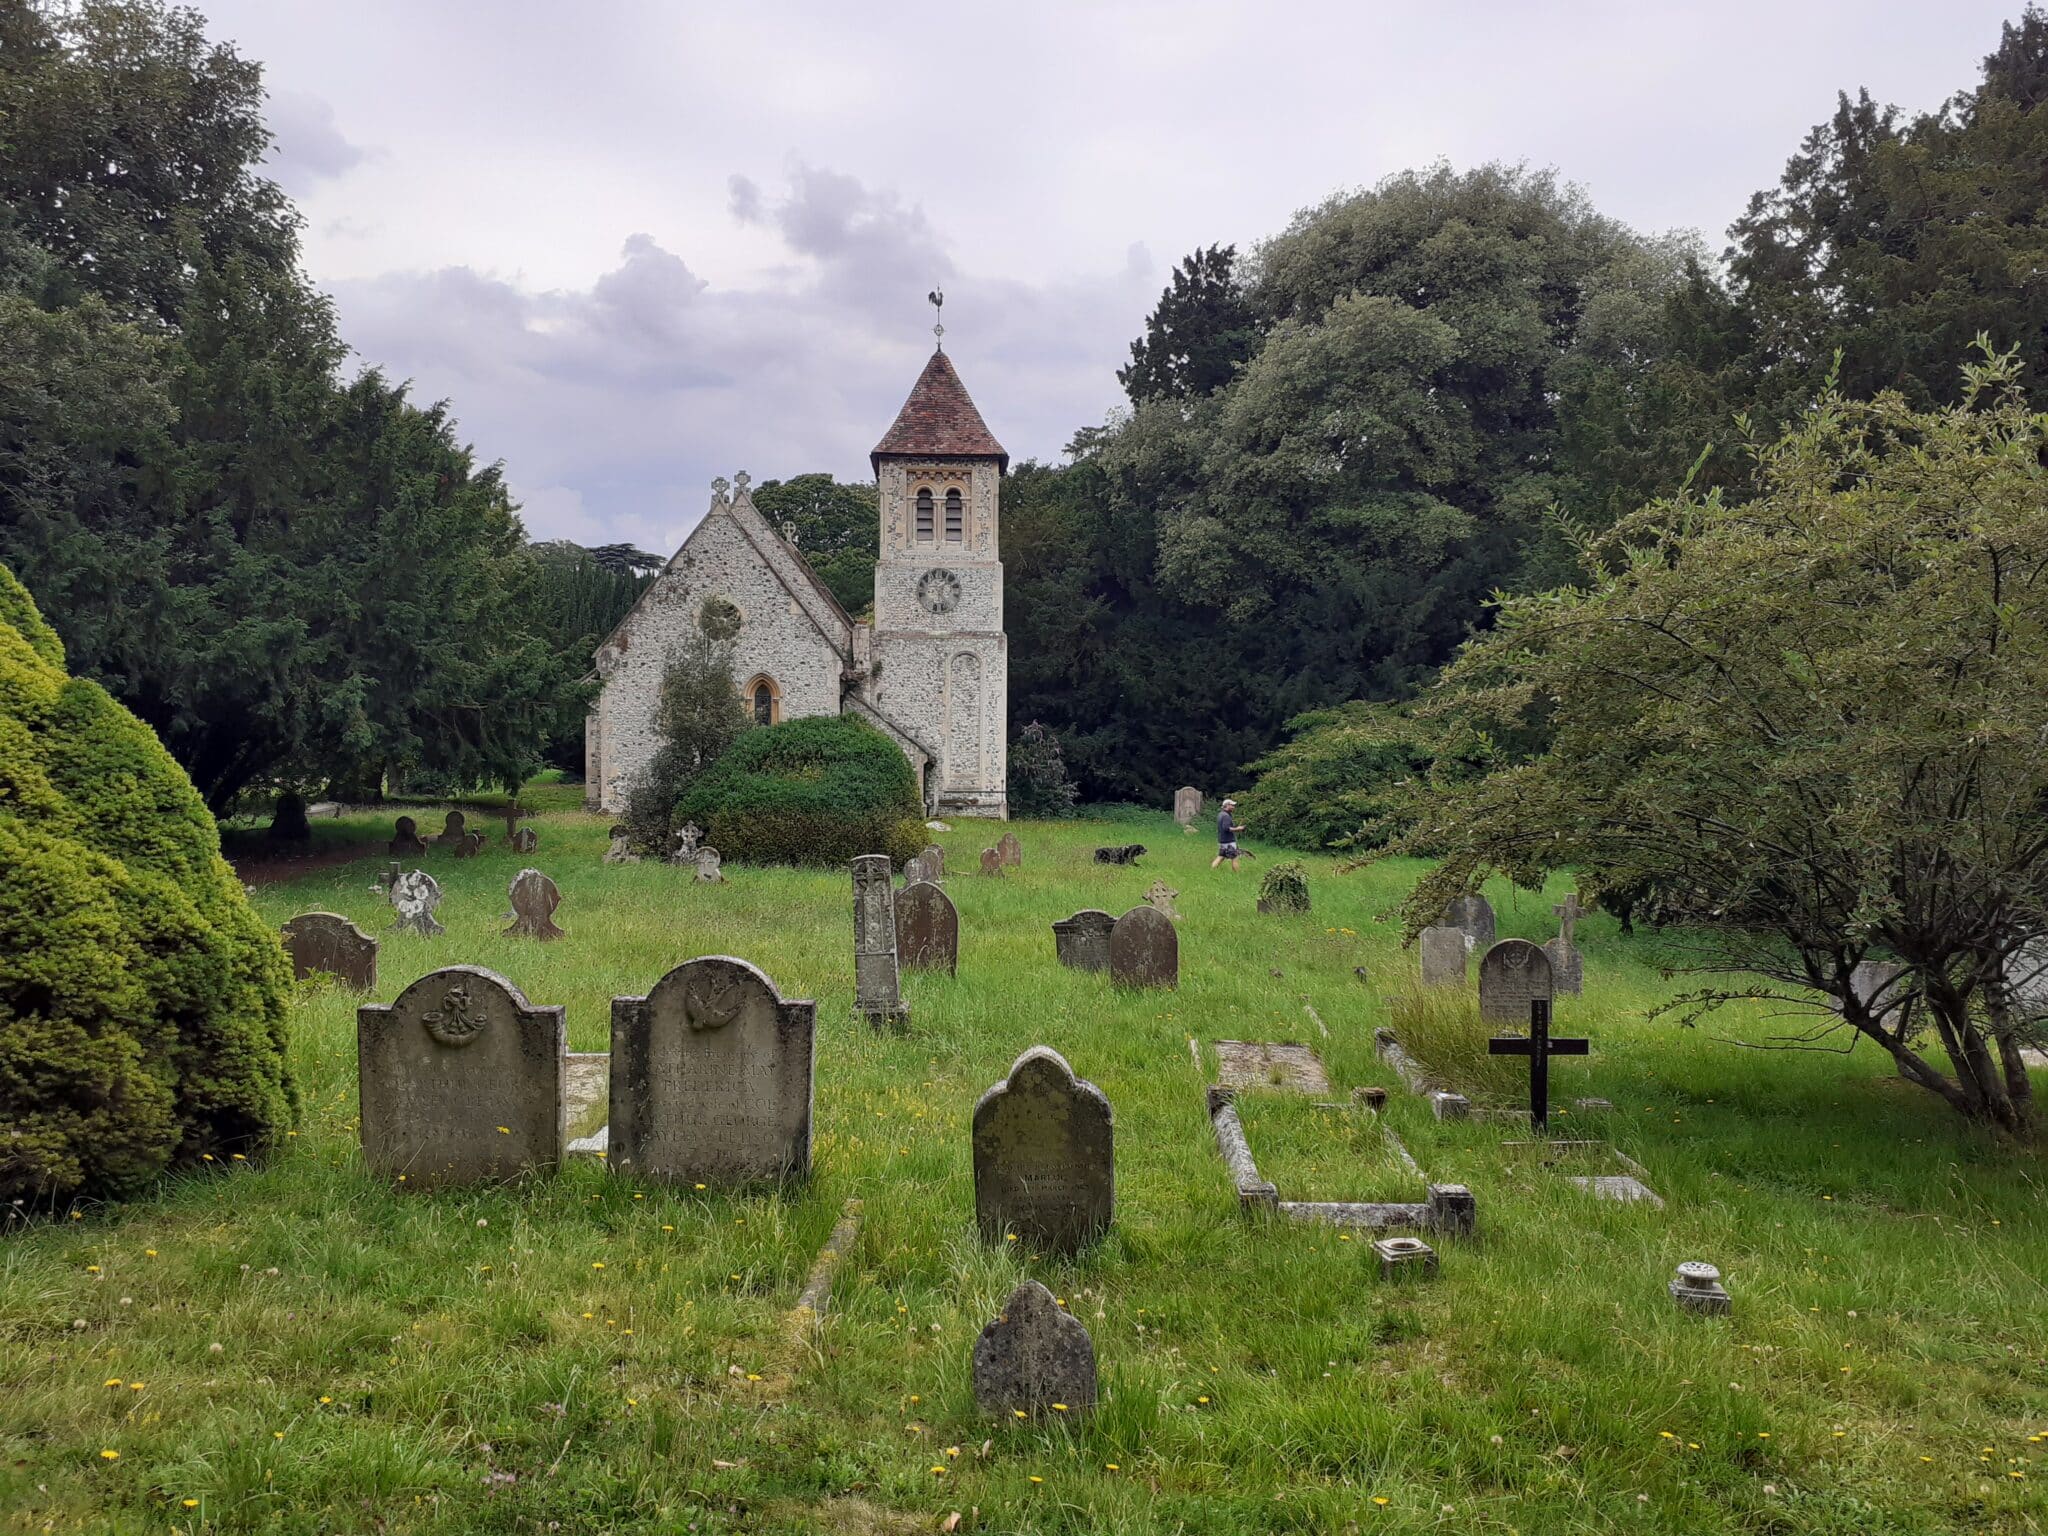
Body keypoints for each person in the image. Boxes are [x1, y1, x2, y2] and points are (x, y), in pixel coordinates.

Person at [1212, 797, 1244, 870]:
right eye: (1232, 805)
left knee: (1221, 856)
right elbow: (1226, 828)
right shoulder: (1226, 816)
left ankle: (1211, 870)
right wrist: (1238, 828)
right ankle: (1237, 875)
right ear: (1227, 805)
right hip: (1229, 841)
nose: (1233, 807)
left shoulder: (1221, 814)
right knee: (1234, 857)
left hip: (1222, 840)